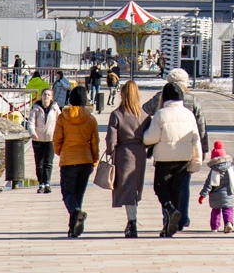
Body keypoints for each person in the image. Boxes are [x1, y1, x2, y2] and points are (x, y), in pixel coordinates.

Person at [143, 67, 208, 230]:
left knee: (163, 186)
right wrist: (203, 148)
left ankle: (168, 216)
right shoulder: (193, 100)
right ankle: (182, 216)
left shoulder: (161, 97)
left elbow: (144, 110)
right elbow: (201, 126)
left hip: (163, 150)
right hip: (186, 149)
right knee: (183, 184)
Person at [53, 86, 98, 237]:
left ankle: (76, 214)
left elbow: (57, 139)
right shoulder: (91, 119)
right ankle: (73, 227)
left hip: (68, 160)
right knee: (78, 195)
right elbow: (95, 143)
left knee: (67, 193)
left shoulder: (63, 117)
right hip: (85, 160)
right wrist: (94, 160)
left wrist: (60, 152)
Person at [107, 80, 150, 237]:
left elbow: (111, 139)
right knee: (135, 187)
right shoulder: (144, 116)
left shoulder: (117, 114)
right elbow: (149, 137)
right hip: (140, 153)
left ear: (123, 94)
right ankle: (132, 220)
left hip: (123, 153)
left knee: (126, 187)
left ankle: (132, 222)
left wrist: (111, 152)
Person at [198, 140, 234, 233]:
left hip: (215, 196)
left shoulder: (213, 171)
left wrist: (202, 195)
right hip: (228, 194)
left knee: (215, 211)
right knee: (228, 209)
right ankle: (228, 223)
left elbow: (208, 185)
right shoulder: (231, 168)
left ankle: (214, 227)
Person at [28, 89, 60, 193]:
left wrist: (59, 134)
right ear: (41, 96)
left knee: (48, 162)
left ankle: (47, 183)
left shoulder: (55, 108)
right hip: (38, 139)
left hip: (51, 139)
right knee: (39, 162)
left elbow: (60, 122)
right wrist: (32, 132)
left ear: (51, 97)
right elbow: (31, 122)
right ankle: (41, 183)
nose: (46, 96)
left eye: (48, 95)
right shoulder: (36, 108)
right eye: (44, 94)